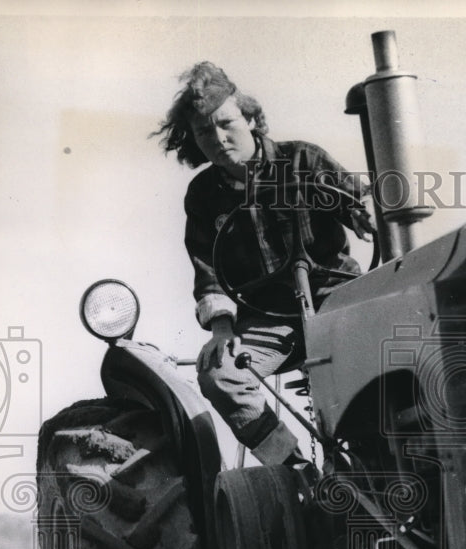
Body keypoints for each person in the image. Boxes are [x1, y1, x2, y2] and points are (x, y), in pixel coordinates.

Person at [154, 62, 374, 465]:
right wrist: (222, 330)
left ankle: (376, 461)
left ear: (251, 118)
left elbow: (355, 203)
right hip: (269, 318)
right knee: (220, 374)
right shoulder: (203, 195)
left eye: (225, 123)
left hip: (338, 302)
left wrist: (363, 213)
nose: (218, 138)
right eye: (204, 132)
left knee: (392, 347)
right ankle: (294, 469)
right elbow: (208, 273)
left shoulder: (302, 160)